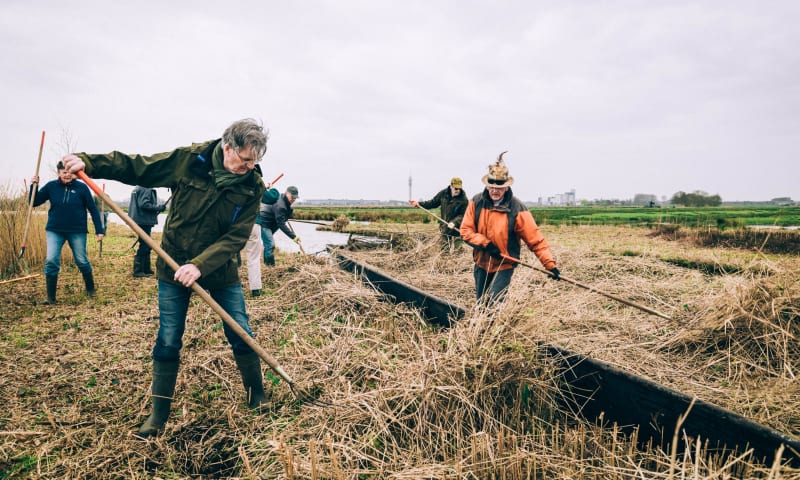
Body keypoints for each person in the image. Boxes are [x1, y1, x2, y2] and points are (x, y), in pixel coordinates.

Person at [61, 118, 269, 438]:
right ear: (227, 148)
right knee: (169, 337)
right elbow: (138, 167)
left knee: (240, 329)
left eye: (255, 161)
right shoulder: (190, 161)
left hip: (220, 270)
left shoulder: (252, 185)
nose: (250, 166)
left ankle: (257, 395)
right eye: (245, 160)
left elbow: (236, 237)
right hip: (173, 266)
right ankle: (158, 416)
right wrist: (89, 162)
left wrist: (200, 265)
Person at [460, 152, 560, 305]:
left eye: (499, 187)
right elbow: (466, 231)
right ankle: (480, 328)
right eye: (491, 186)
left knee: (494, 303)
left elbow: (535, 239)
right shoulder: (476, 202)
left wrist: (550, 265)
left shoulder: (517, 208)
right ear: (487, 185)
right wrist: (486, 244)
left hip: (504, 263)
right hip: (481, 261)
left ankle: (494, 327)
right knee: (481, 304)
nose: (495, 190)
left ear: (506, 187)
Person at [30, 162, 105, 304]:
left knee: (81, 260)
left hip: (77, 230)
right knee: (51, 260)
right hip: (54, 230)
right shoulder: (51, 186)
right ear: (58, 172)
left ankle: (90, 289)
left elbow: (93, 209)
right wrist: (34, 186)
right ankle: (51, 299)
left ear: (75, 173)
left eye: (70, 172)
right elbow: (33, 203)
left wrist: (99, 230)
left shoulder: (82, 188)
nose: (67, 175)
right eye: (64, 172)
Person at [409, 177, 468, 252]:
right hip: (445, 227)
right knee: (444, 250)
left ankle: (457, 261)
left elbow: (463, 215)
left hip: (458, 229)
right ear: (451, 186)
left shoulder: (463, 199)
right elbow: (432, 203)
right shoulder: (443, 194)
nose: (458, 190)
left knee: (458, 251)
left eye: (459, 188)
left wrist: (454, 222)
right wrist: (419, 204)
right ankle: (445, 262)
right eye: (456, 188)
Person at [243, 179, 279, 296]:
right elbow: (271, 197)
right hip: (253, 223)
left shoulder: (230, 176)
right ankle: (255, 290)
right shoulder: (254, 179)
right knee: (253, 257)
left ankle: (228, 287)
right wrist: (269, 187)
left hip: (234, 224)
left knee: (230, 255)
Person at [129, 186, 167, 277]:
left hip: (139, 219)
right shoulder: (146, 188)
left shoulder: (138, 188)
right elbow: (144, 204)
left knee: (147, 244)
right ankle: (138, 271)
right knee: (145, 244)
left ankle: (146, 269)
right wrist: (158, 208)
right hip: (143, 220)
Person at [260, 186, 301, 266]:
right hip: (264, 223)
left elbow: (282, 216)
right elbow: (281, 224)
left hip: (271, 223)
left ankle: (266, 264)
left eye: (295, 198)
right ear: (286, 193)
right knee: (270, 244)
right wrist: (293, 237)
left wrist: (285, 217)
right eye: (292, 197)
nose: (293, 199)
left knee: (268, 244)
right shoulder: (280, 205)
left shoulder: (284, 201)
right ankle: (270, 267)